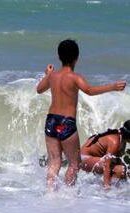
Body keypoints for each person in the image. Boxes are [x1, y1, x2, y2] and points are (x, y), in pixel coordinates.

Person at [36, 39, 126, 191]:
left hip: (51, 120)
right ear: (76, 58)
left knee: (54, 162)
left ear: (59, 57)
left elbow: (39, 89)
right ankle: (68, 195)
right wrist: (112, 86)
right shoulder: (75, 77)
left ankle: (50, 194)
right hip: (66, 123)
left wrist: (48, 74)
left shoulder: (52, 76)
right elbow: (89, 90)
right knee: (74, 163)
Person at [80, 120, 130, 189]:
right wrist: (106, 187)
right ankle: (106, 190)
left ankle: (117, 191)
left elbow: (118, 161)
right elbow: (107, 165)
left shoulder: (122, 139)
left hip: (95, 159)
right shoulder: (115, 142)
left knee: (124, 170)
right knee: (119, 170)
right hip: (83, 158)